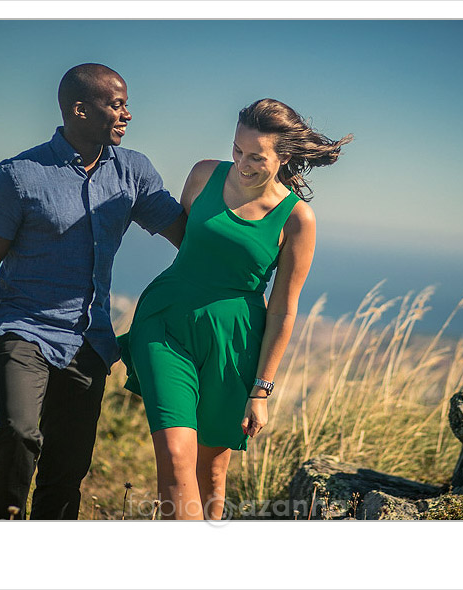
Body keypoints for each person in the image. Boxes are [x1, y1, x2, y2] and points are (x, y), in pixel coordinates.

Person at [0, 63, 186, 520]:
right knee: (19, 432)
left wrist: (251, 204)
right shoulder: (19, 175)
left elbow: (185, 234)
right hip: (22, 328)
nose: (127, 114)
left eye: (126, 104)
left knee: (67, 468)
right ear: (80, 109)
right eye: (117, 104)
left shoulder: (134, 172)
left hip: (89, 339)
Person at [119, 98, 352, 520]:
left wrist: (261, 390)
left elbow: (283, 309)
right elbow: (193, 241)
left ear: (284, 156)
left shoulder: (298, 219)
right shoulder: (204, 174)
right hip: (166, 320)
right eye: (237, 150)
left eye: (256, 157)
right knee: (174, 455)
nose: (243, 163)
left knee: (212, 471)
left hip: (233, 341)